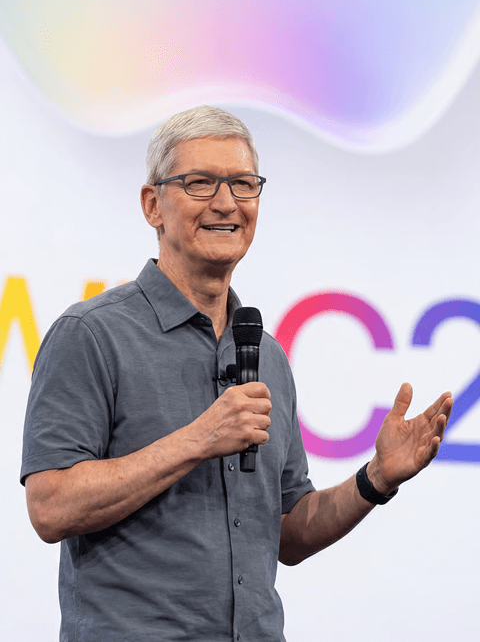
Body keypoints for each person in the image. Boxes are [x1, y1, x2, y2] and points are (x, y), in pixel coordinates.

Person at [21, 106, 453, 642]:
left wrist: (375, 479)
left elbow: (288, 531)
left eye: (243, 184)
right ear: (153, 205)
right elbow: (50, 506)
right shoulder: (90, 335)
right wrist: (198, 440)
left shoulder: (266, 354)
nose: (226, 203)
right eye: (200, 183)